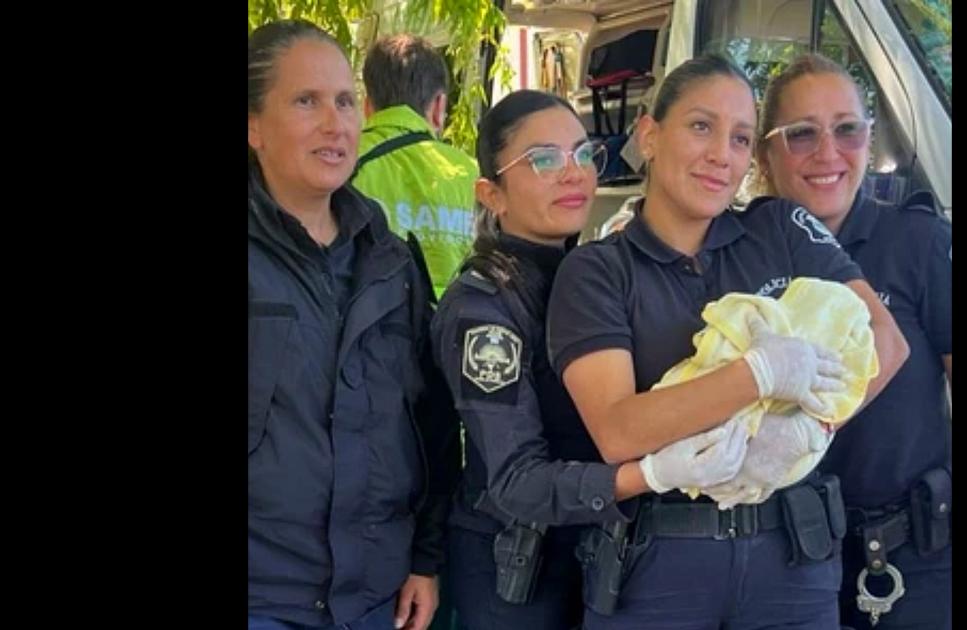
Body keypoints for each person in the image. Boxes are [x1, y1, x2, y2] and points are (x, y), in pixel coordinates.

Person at [545, 53, 910, 629]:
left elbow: (886, 343)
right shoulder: (597, 270)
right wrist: (757, 376)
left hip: (792, 556)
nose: (722, 154)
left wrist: (805, 433)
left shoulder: (781, 229)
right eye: (700, 126)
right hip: (661, 563)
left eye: (741, 138)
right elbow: (618, 429)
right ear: (649, 133)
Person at [430, 89, 746, 629]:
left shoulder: (601, 275)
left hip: (605, 551)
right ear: (491, 193)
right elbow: (513, 481)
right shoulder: (483, 308)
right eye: (544, 160)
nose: (573, 173)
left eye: (582, 153)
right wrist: (647, 474)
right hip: (519, 569)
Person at [248, 20, 459, 630]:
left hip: (377, 598)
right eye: (305, 101)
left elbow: (433, 423)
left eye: (344, 101)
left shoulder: (392, 261)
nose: (335, 123)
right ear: (254, 125)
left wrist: (425, 558)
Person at [756, 53, 952, 629]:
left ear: (870, 139)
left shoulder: (919, 243)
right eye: (801, 134)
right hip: (779, 564)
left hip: (916, 560)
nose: (828, 152)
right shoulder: (735, 257)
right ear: (765, 155)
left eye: (848, 129)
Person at [353, 33, 479, 299]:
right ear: (438, 107)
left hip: (371, 329)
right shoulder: (474, 175)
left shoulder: (344, 164)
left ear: (367, 106)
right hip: (452, 328)